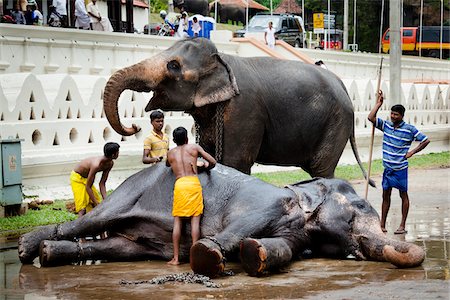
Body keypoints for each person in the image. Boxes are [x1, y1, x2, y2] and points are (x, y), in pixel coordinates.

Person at [368, 90, 430, 234]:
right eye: (392, 114)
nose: (393, 116)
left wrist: (412, 152)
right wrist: (379, 104)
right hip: (388, 169)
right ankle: (382, 224)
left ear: (402, 116)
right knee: (385, 196)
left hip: (400, 169)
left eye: (396, 114)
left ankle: (402, 225)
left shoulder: (409, 129)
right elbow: (371, 117)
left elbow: (425, 140)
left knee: (403, 195)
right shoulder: (387, 126)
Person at [166, 127, 216, 265]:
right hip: (193, 184)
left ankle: (176, 258)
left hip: (180, 185)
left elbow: (166, 164)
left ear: (174, 140)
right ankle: (194, 256)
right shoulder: (194, 148)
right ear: (187, 138)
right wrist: (204, 165)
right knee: (195, 222)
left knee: (177, 221)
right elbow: (213, 161)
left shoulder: (170, 153)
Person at [70, 142, 120, 217]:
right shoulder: (96, 165)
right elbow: (88, 187)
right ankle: (78, 226)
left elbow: (102, 183)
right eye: (118, 152)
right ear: (113, 155)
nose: (119, 153)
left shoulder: (110, 164)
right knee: (82, 209)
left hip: (86, 179)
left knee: (94, 204)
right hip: (77, 178)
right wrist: (97, 204)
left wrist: (106, 200)